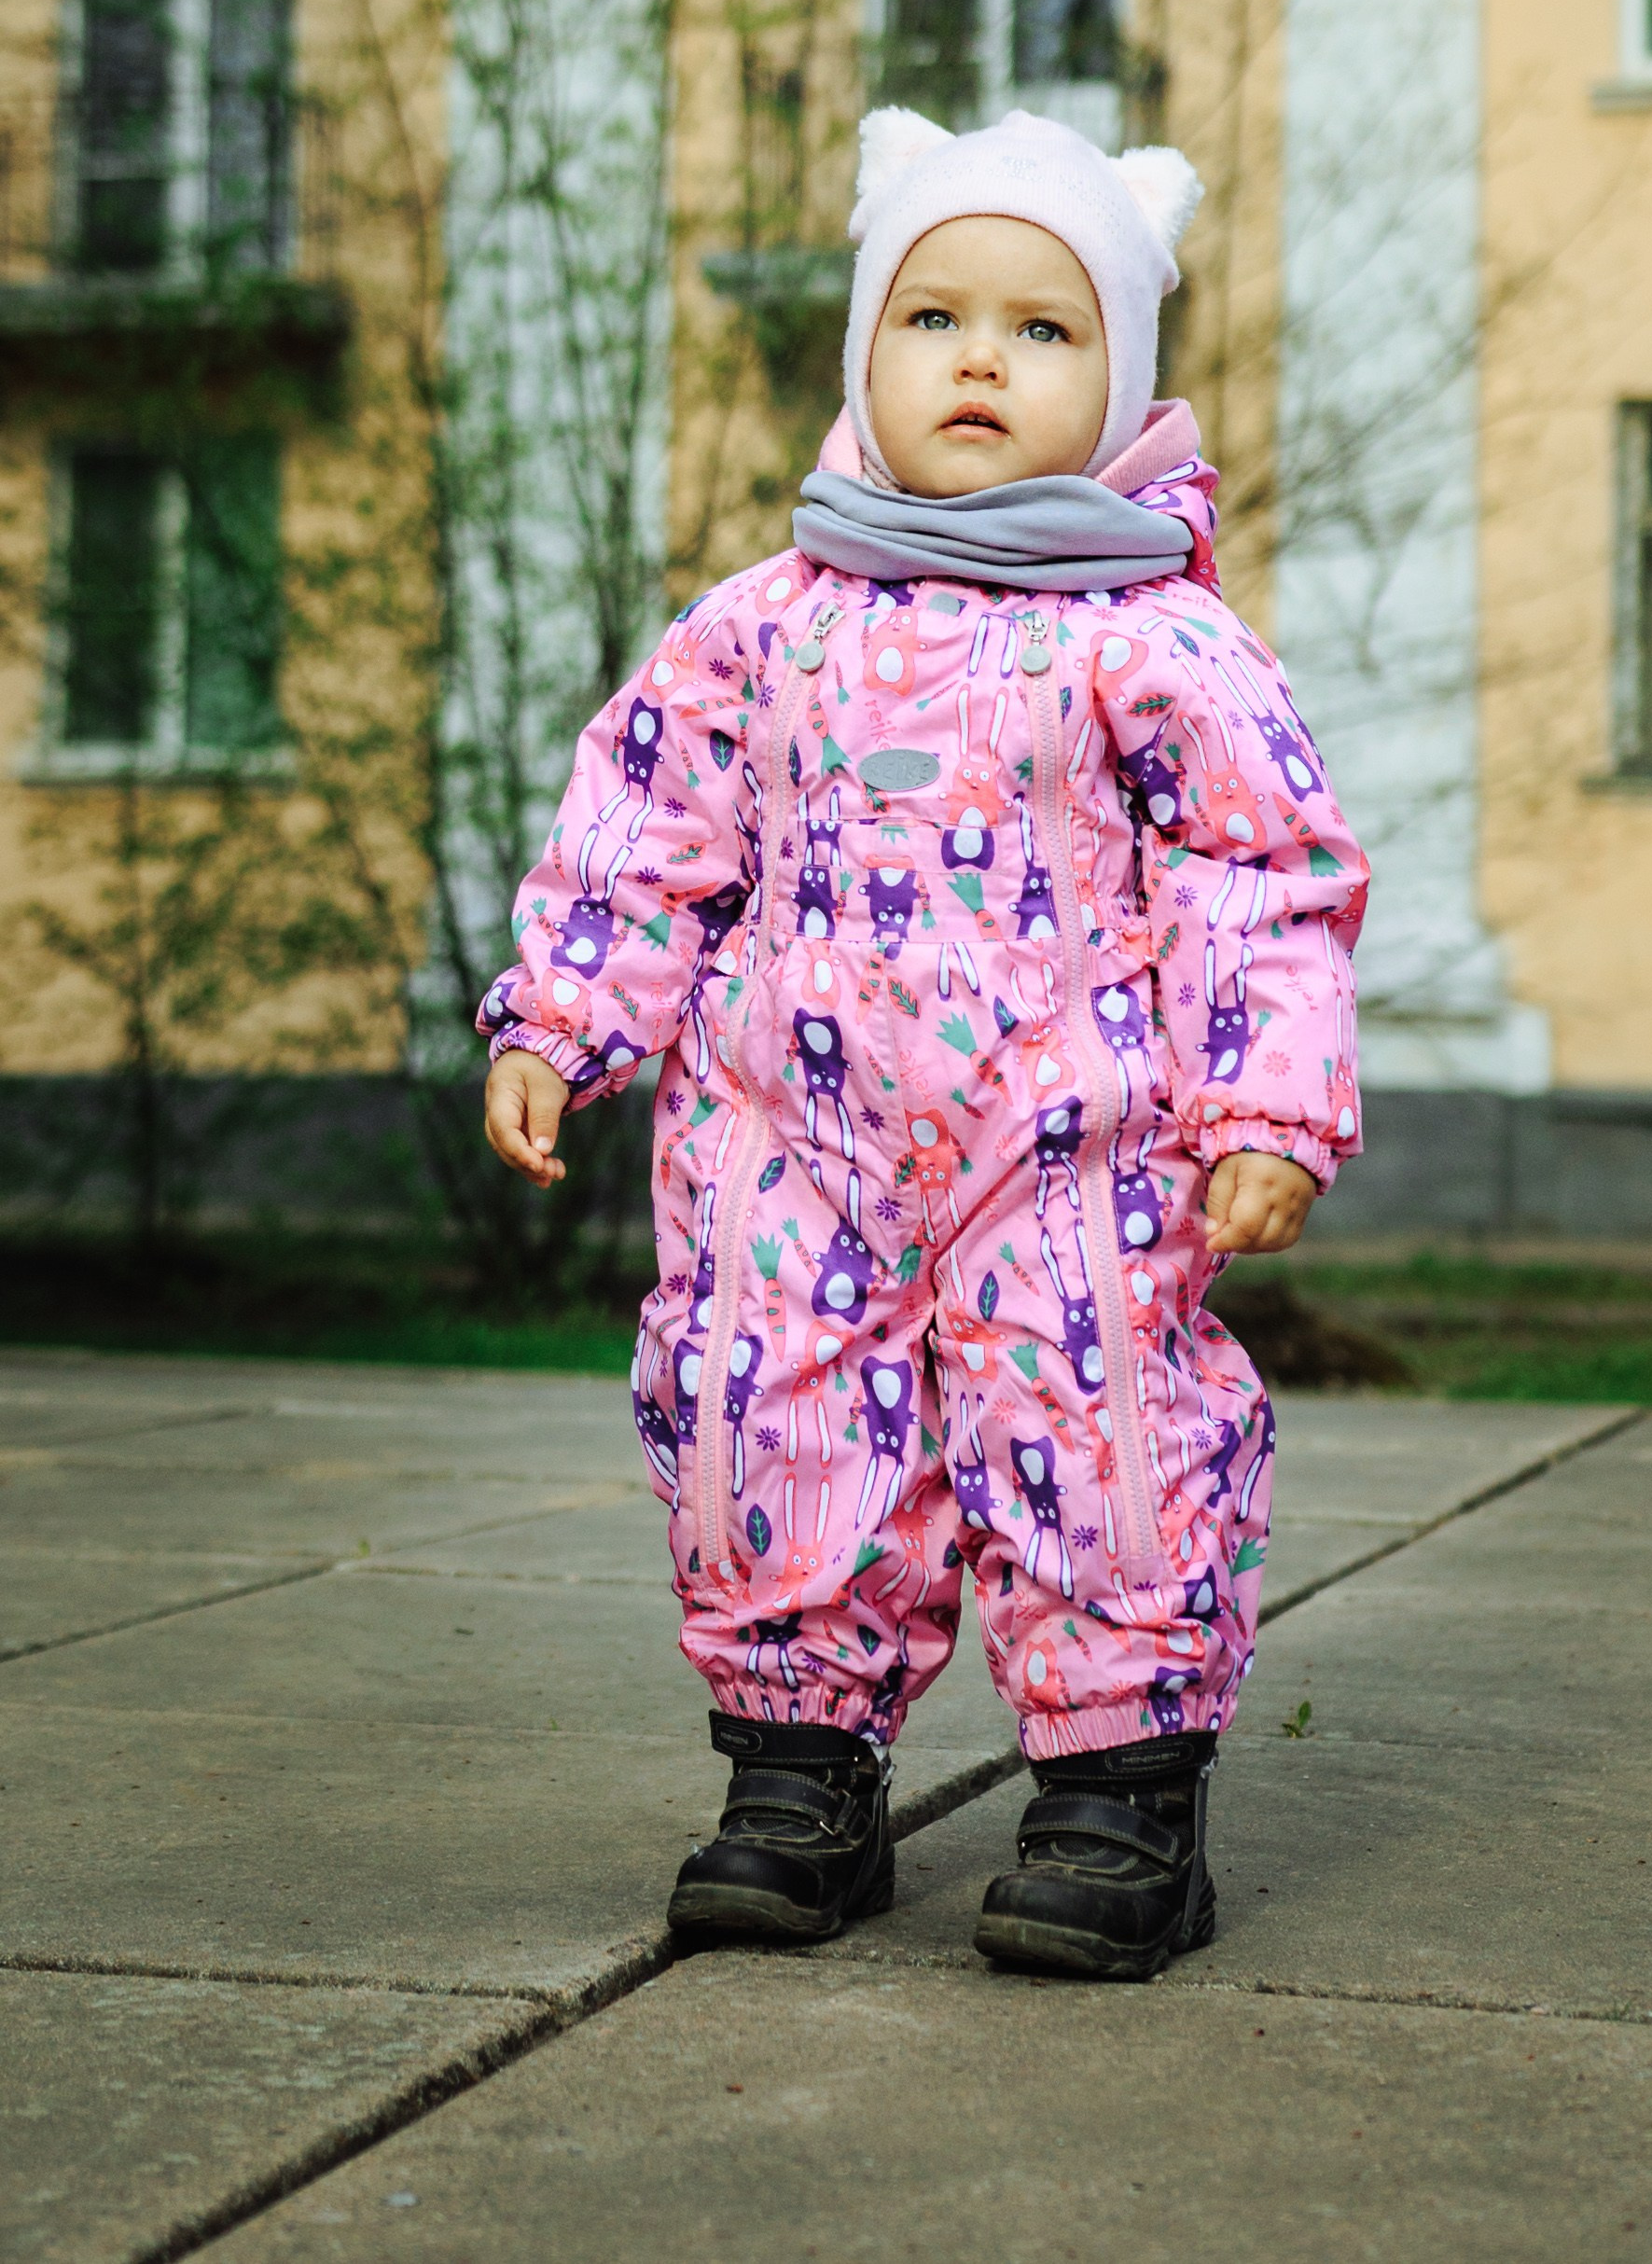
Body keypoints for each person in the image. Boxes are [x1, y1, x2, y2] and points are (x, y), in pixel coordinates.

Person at [479, 106, 1367, 1981]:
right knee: (766, 1402)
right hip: (785, 1128)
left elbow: (1261, 877)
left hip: (1073, 1134)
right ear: (863, 352)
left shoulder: (1161, 644)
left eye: (1044, 329)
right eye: (933, 315)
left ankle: (1121, 1797)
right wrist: (564, 1015)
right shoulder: (758, 628)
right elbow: (644, 832)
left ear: (1121, 378)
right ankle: (799, 1777)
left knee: (1096, 1422)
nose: (981, 358)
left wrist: (1265, 1101)